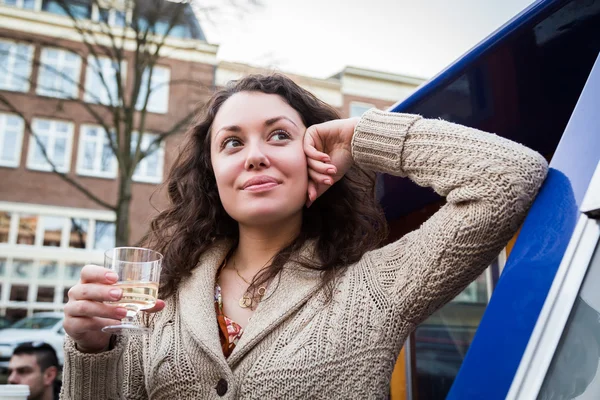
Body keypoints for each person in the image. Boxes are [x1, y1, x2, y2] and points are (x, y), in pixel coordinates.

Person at [60, 74, 548, 399]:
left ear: (314, 152)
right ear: (212, 173)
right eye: (232, 142)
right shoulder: (156, 298)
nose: (254, 155)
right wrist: (92, 352)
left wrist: (361, 137)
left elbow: (509, 179)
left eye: (279, 136)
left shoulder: (375, 287)